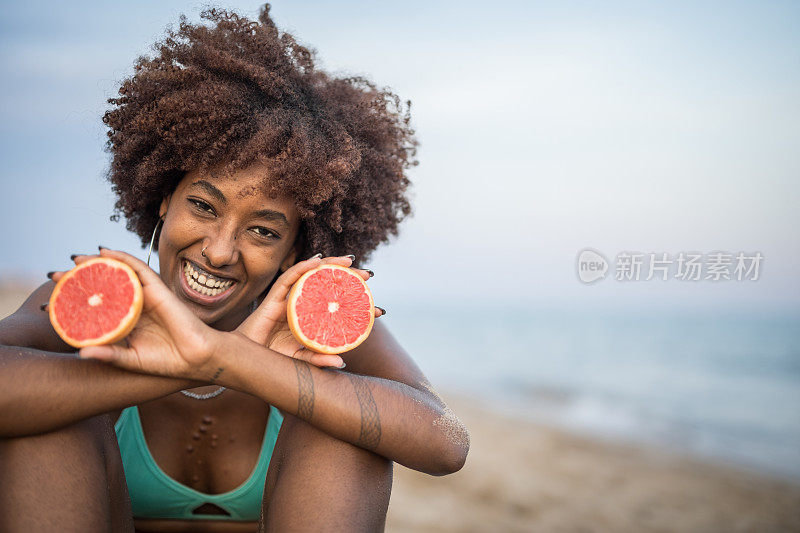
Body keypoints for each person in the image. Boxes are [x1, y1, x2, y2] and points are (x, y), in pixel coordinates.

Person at [0, 5, 469, 532]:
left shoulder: (318, 324)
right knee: (48, 419)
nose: (220, 251)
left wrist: (229, 357)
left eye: (263, 231)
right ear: (163, 198)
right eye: (202, 205)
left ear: (295, 249)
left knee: (343, 427)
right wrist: (183, 366)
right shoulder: (99, 300)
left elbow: (446, 442)